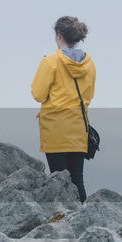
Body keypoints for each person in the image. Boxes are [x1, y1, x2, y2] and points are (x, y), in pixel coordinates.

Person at [31, 17, 96, 202]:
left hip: (55, 129)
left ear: (59, 35)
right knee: (77, 180)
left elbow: (38, 94)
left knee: (58, 180)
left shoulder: (50, 62)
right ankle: (83, 220)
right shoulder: (89, 63)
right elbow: (89, 97)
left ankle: (62, 224)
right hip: (78, 127)